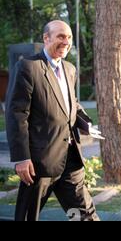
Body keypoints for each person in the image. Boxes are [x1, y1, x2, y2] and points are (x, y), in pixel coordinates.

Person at [5, 20, 99, 221]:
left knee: (85, 215)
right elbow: (17, 114)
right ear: (46, 38)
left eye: (69, 37)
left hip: (71, 160)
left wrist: (85, 123)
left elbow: (70, 103)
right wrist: (22, 158)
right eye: (61, 36)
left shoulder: (70, 69)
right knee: (28, 216)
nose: (66, 41)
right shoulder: (28, 67)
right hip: (39, 164)